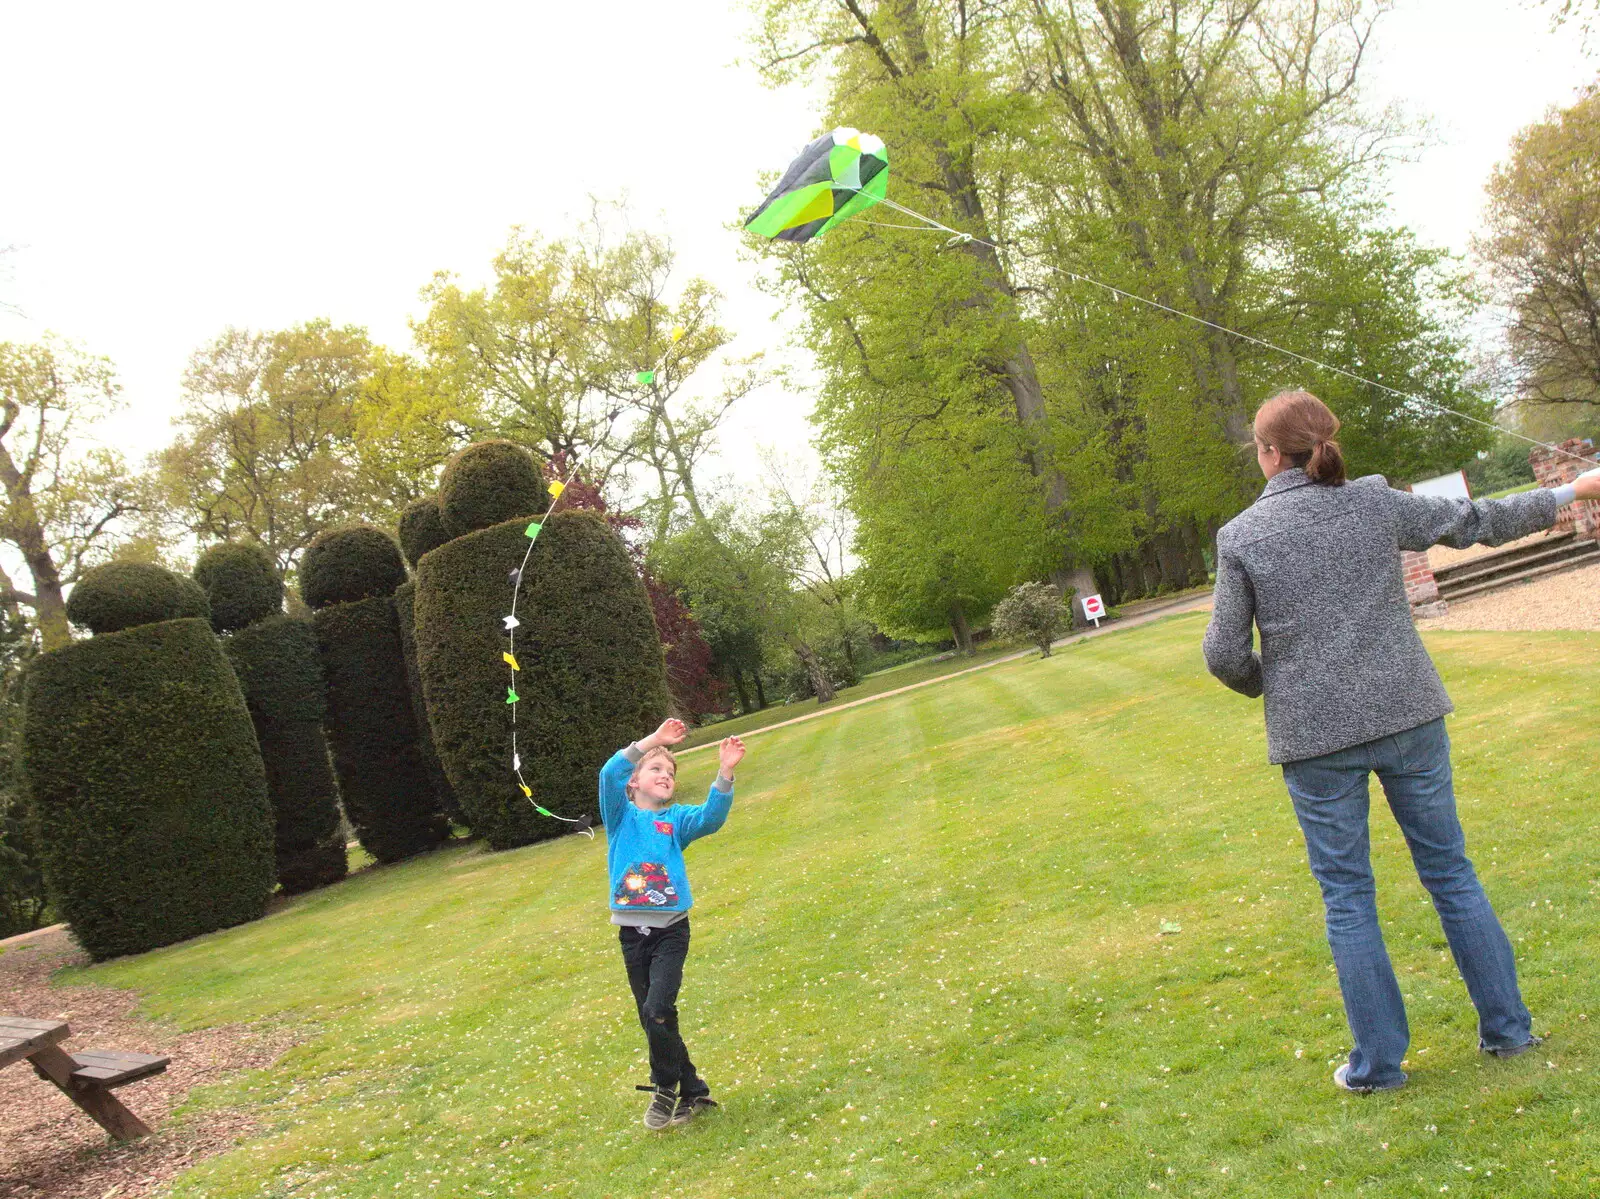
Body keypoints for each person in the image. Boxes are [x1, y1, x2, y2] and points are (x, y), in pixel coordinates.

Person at [1202, 389, 1600, 1094]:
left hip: (1317, 736)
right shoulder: (1374, 502)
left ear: (1269, 454)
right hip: (1408, 713)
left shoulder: (1244, 534)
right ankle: (1508, 1031)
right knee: (1451, 871)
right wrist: (1570, 489)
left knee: (1348, 895)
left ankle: (1379, 1067)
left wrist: (1280, 682)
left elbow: (1224, 655)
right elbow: (1477, 522)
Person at [599, 717, 745, 1128]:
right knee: (653, 1016)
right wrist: (654, 742)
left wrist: (726, 773)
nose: (665, 776)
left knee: (658, 1007)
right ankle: (693, 1091)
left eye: (670, 772)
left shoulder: (676, 819)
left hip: (671, 931)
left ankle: (664, 1088)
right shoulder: (620, 817)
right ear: (634, 782)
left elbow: (711, 818)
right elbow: (609, 771)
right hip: (632, 934)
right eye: (656, 769)